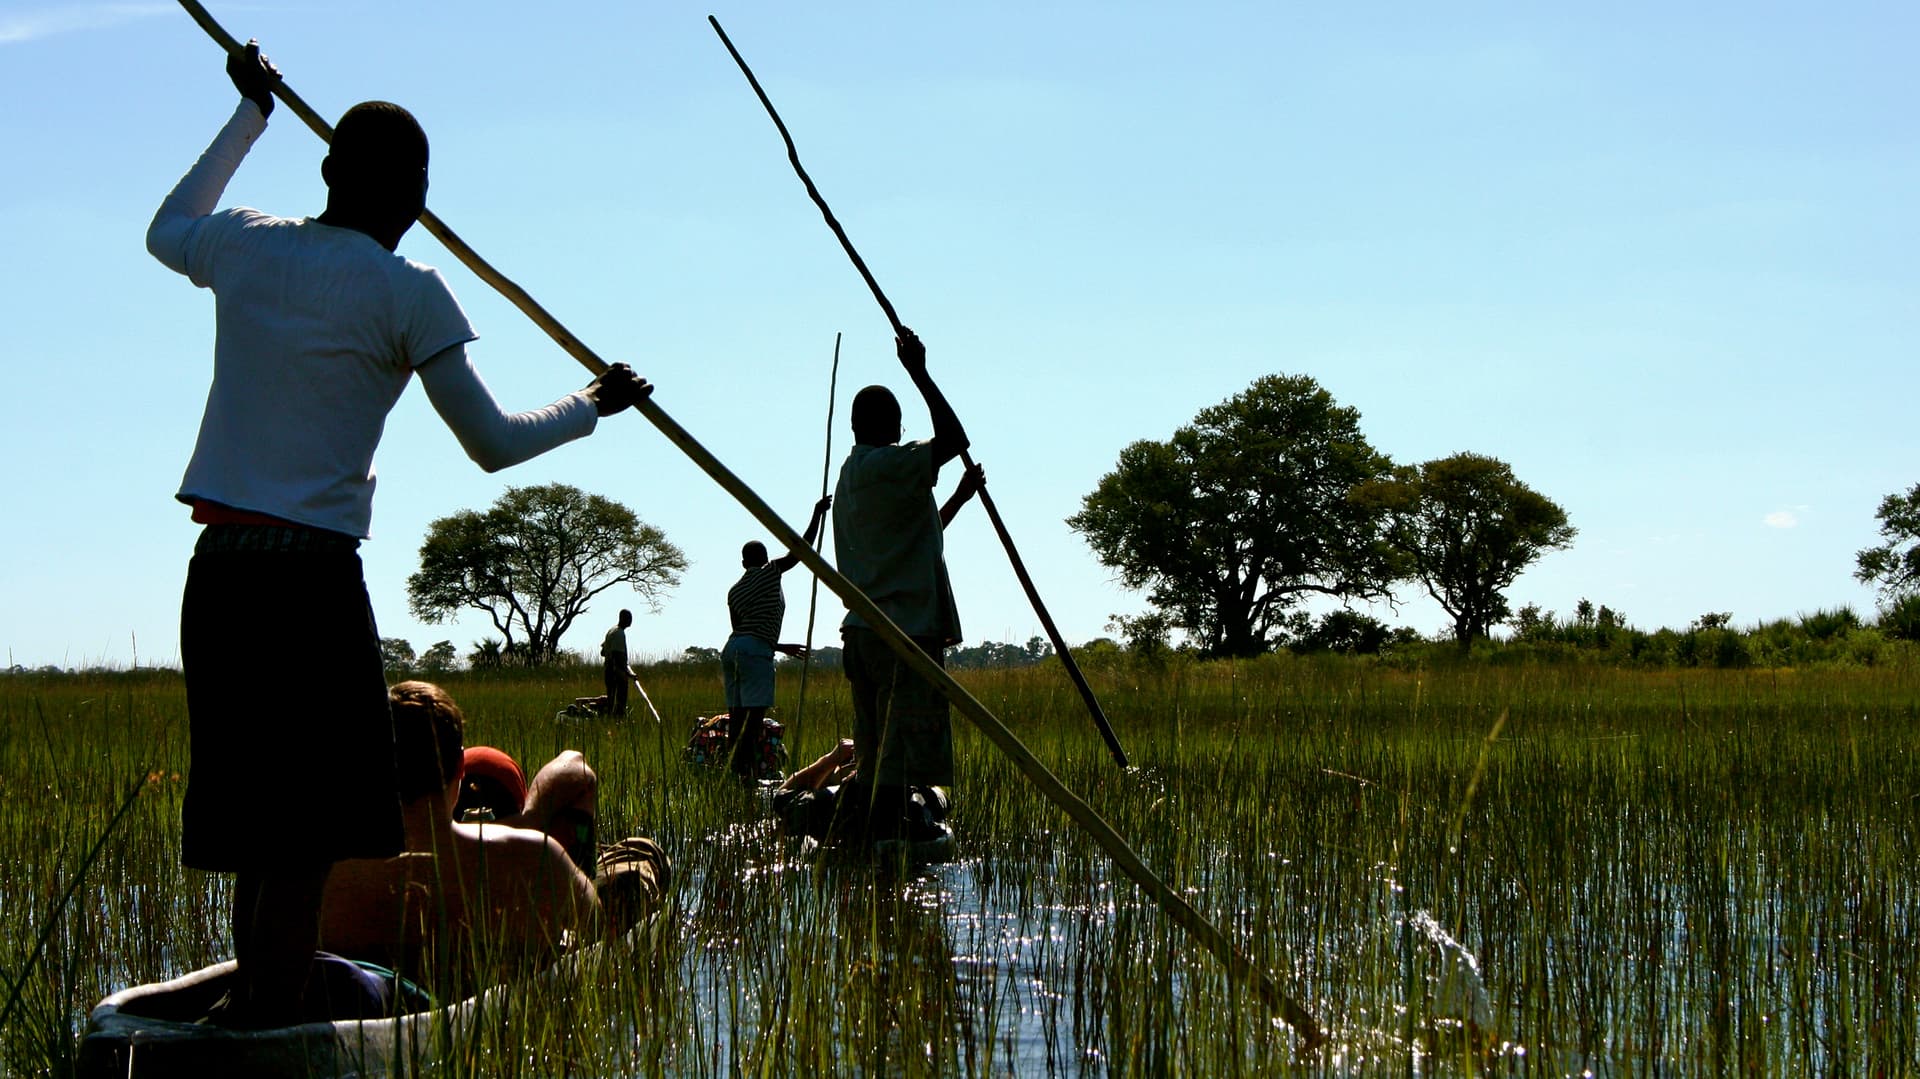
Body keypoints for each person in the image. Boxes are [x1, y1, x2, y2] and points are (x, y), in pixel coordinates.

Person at [146, 43, 650, 1026]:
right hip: (310, 578)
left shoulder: (247, 242)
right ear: (415, 196)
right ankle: (271, 1029)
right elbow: (495, 443)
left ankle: (258, 1010)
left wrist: (248, 117)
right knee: (306, 839)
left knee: (262, 835)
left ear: (329, 170)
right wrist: (593, 402)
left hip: (219, 573)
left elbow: (168, 228)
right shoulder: (411, 289)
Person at [319, 683, 670, 999]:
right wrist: (529, 821)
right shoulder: (532, 856)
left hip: (385, 1010)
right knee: (639, 854)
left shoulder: (321, 874)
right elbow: (598, 933)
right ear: (460, 768)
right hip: (513, 1003)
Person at [830, 328, 975, 842]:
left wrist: (958, 499)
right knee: (897, 759)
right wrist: (919, 370)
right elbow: (956, 440)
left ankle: (869, 837)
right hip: (901, 637)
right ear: (890, 428)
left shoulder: (854, 476)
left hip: (865, 635)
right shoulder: (886, 463)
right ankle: (883, 851)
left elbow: (912, 540)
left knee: (877, 756)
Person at [720, 497, 832, 781]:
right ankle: (748, 774)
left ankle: (735, 771)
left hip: (732, 649)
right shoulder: (770, 573)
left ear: (743, 562)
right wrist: (816, 514)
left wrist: (781, 646)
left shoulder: (734, 590)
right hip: (755, 652)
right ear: (765, 558)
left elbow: (741, 628)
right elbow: (800, 550)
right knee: (754, 718)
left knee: (736, 717)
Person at [601, 609, 633, 716]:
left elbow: (603, 652)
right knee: (620, 698)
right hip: (616, 671)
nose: (630, 621)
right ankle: (618, 719)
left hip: (608, 670)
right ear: (622, 618)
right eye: (628, 618)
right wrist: (627, 673)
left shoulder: (611, 631)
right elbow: (617, 655)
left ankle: (610, 717)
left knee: (611, 697)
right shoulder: (619, 633)